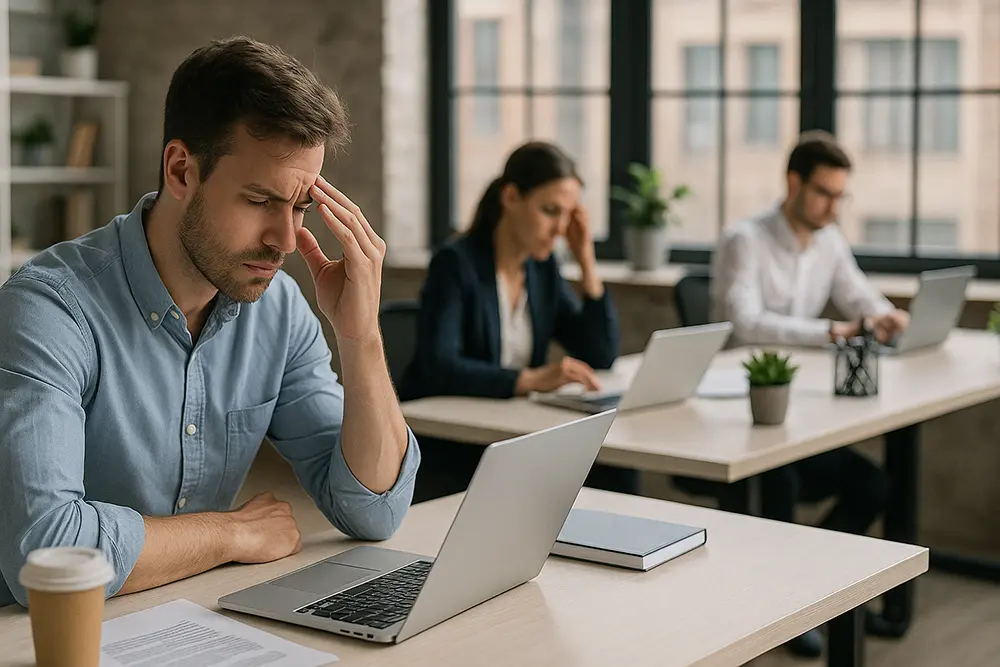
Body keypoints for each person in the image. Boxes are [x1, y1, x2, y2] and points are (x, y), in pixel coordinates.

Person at [0, 37, 420, 608]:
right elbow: (44, 556)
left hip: (185, 617)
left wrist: (361, 335)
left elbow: (373, 510)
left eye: (299, 207)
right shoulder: (48, 310)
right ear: (181, 170)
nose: (285, 242)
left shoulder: (279, 311)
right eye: (258, 200)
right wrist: (231, 532)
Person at [709, 131, 895, 658]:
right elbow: (745, 325)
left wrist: (885, 316)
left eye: (841, 196)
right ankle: (781, 610)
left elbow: (859, 294)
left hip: (802, 414)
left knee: (874, 487)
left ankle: (808, 594)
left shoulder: (829, 240)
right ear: (793, 183)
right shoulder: (745, 239)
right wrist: (831, 332)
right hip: (739, 419)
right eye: (824, 193)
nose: (834, 206)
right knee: (781, 487)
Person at [399, 141, 637, 501]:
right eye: (549, 210)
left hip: (515, 430)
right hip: (457, 438)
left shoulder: (541, 269)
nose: (559, 229)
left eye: (568, 215)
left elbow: (601, 352)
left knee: (617, 468)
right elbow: (439, 365)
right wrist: (530, 379)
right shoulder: (456, 263)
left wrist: (586, 260)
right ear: (511, 197)